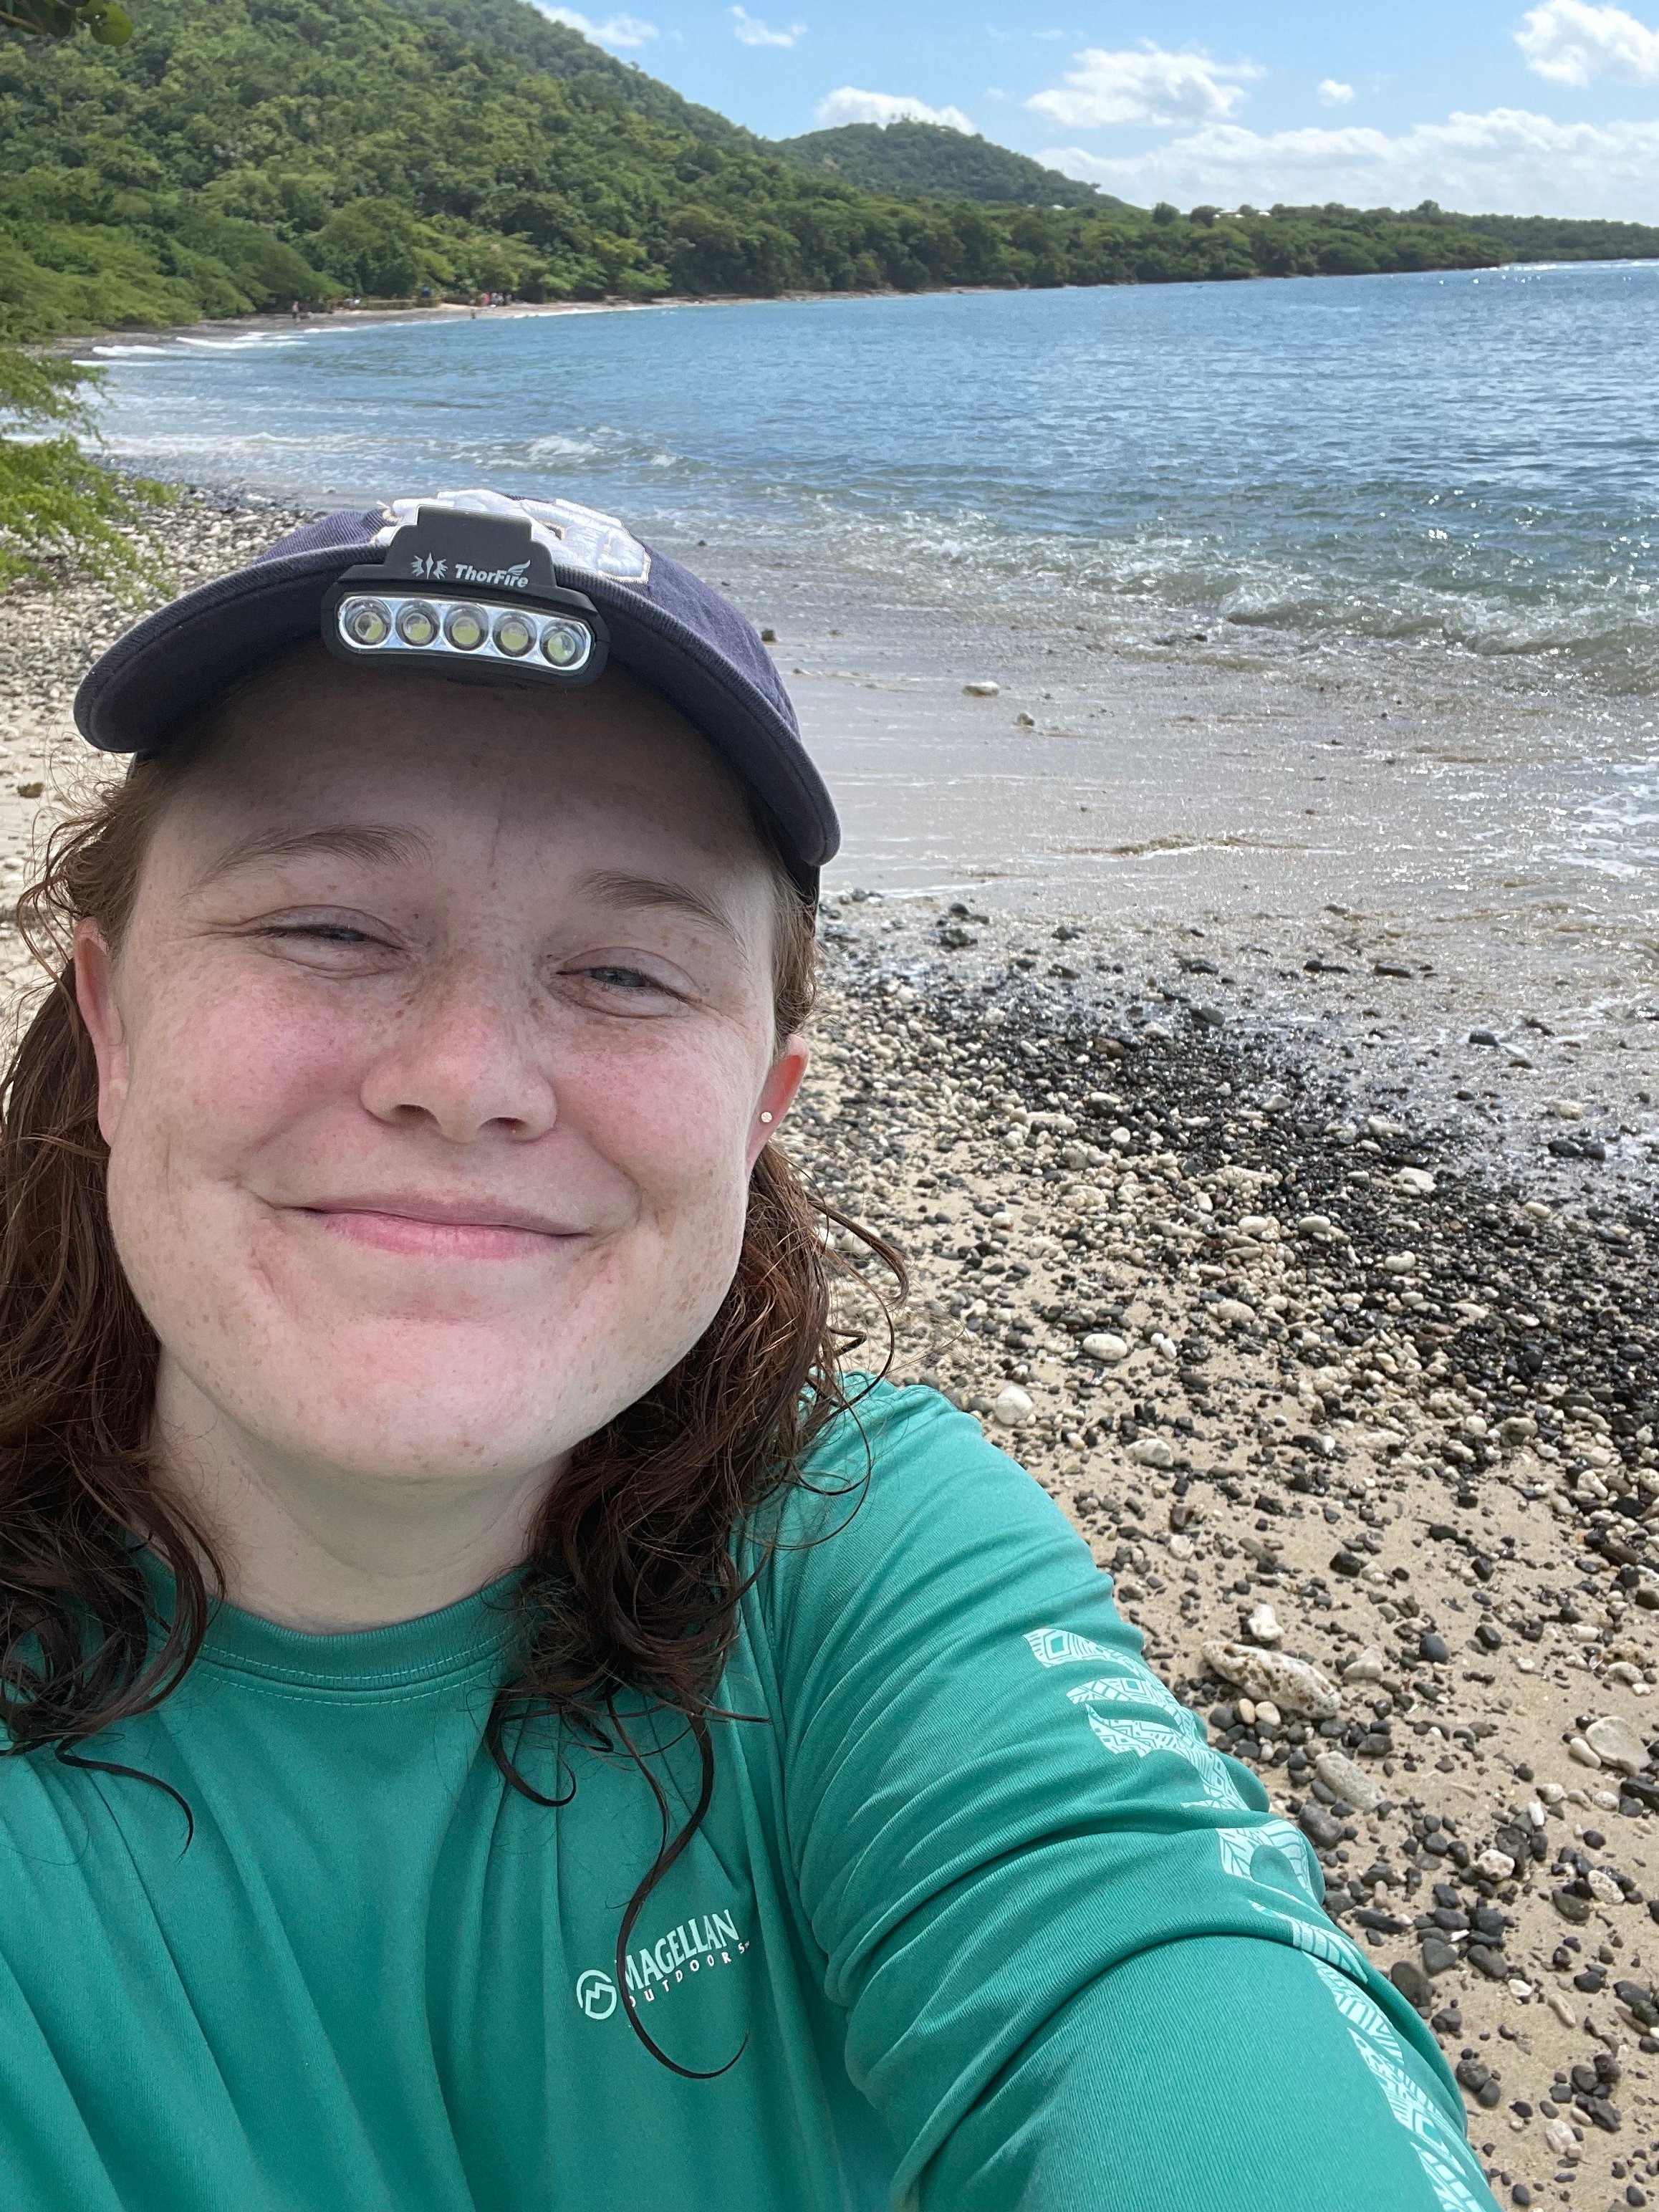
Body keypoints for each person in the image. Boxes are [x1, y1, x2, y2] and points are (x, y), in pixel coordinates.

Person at [0, 489, 1497, 2212]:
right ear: (114, 1025)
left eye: (626, 970)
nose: (469, 1072)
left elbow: (1154, 1964)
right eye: (329, 926)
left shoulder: (857, 1544)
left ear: (763, 1102)